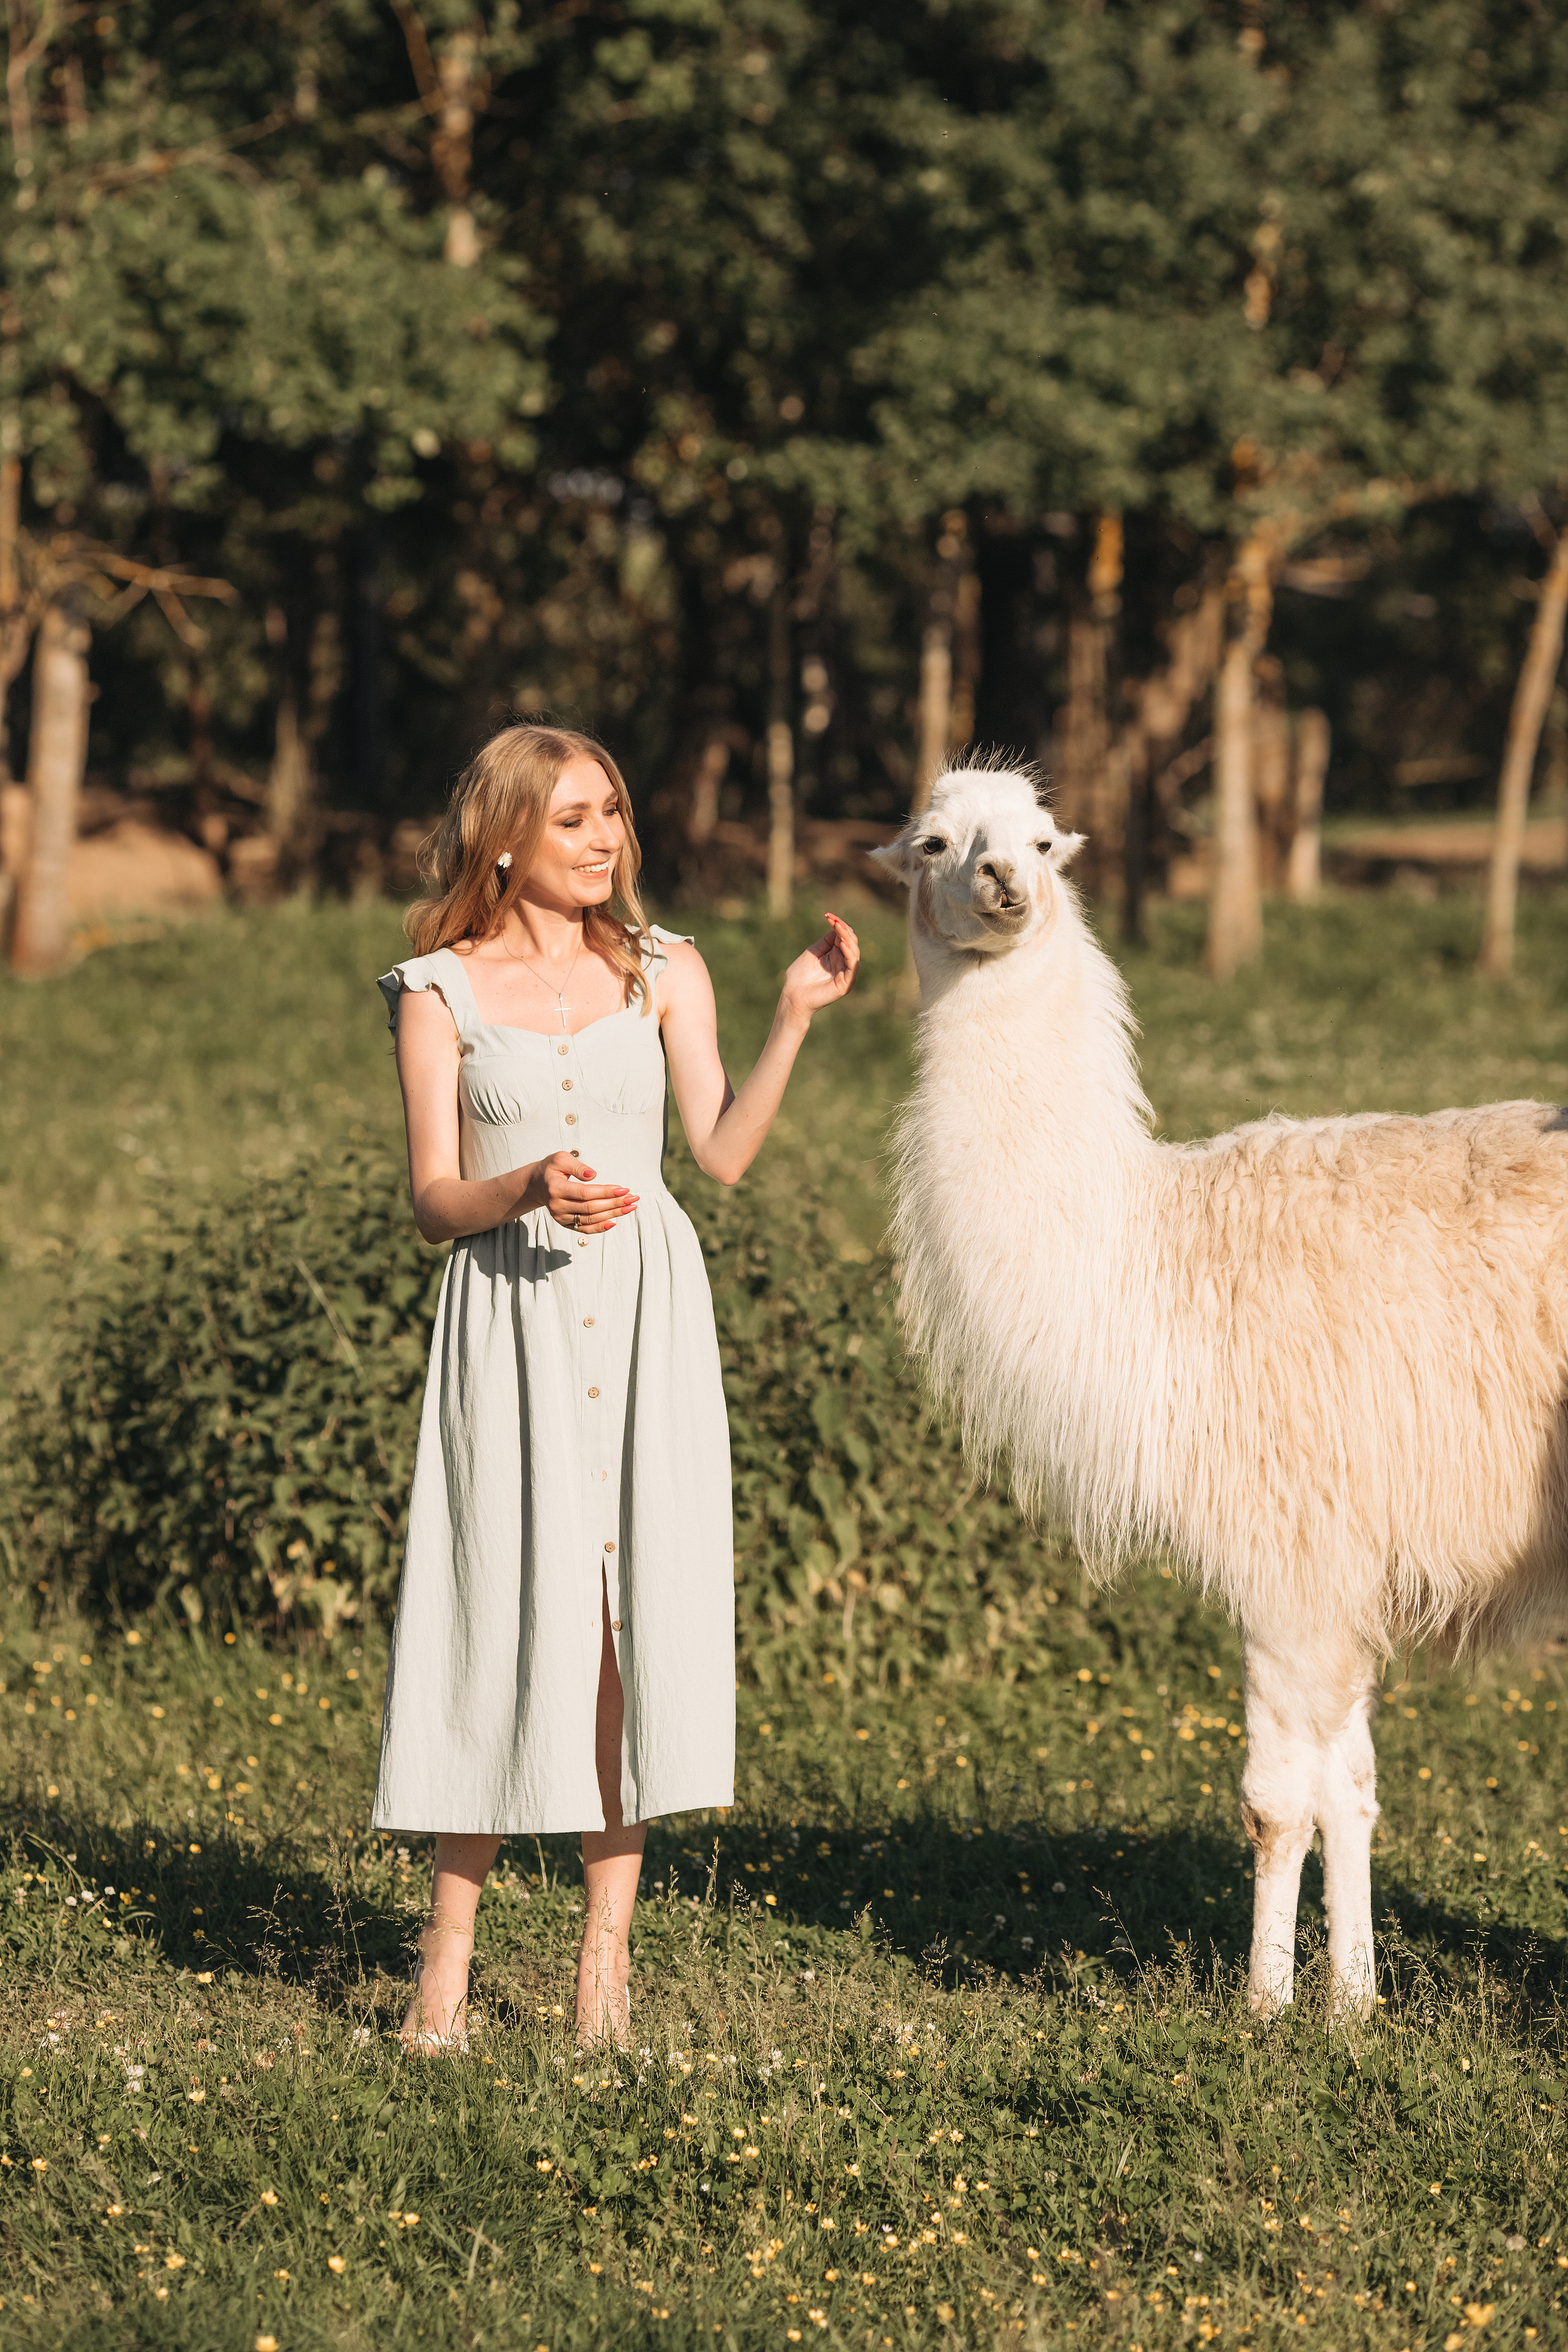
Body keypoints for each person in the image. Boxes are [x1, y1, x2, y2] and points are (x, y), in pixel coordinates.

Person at [374, 720, 860, 2048]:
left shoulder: (665, 970)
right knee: (494, 1618)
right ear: (506, 836)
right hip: (510, 1315)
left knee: (618, 1631)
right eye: (575, 819)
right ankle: (445, 1967)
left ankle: (604, 1970)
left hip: (647, 1314)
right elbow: (429, 1198)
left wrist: (792, 1020)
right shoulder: (438, 992)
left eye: (612, 817)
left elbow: (718, 1152)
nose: (604, 841)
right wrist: (524, 1183)